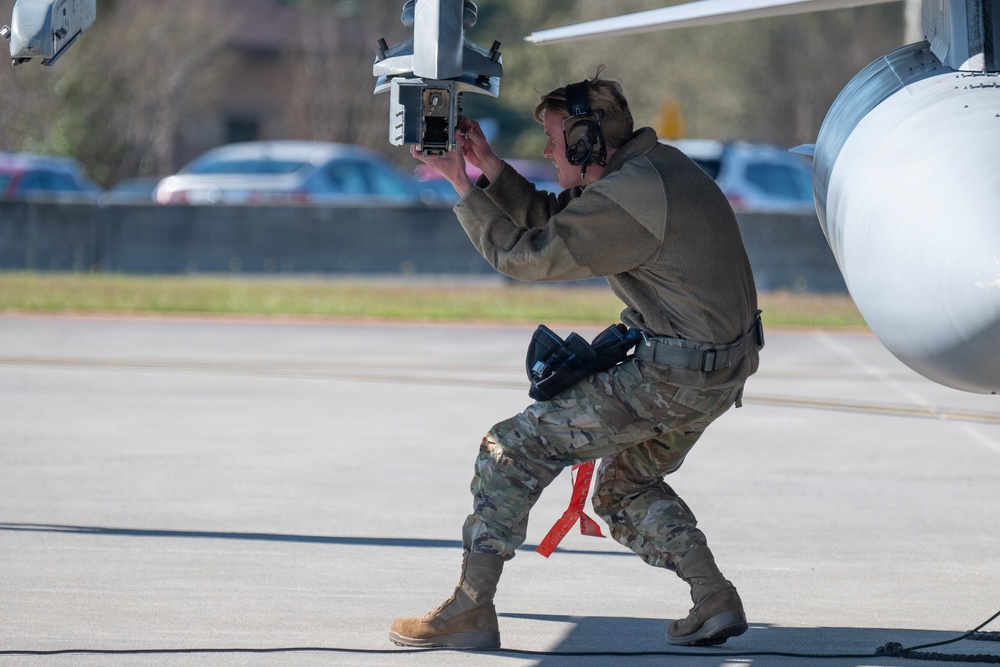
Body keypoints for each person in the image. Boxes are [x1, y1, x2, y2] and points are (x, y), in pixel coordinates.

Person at [390, 68, 761, 650]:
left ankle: (470, 608)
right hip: (715, 373)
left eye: (555, 140)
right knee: (626, 488)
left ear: (589, 143)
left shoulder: (630, 195)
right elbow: (564, 217)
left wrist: (459, 184)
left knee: (509, 448)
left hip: (673, 377)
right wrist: (489, 167)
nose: (545, 150)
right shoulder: (656, 171)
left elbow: (526, 257)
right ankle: (713, 597)